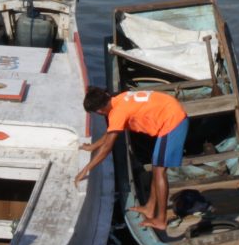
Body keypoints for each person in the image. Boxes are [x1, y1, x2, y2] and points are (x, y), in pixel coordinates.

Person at [77, 85, 188, 229]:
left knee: (159, 171)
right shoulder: (118, 99)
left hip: (173, 121)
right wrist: (92, 147)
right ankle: (149, 207)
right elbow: (112, 131)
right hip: (169, 111)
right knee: (156, 167)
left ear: (99, 111)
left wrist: (86, 169)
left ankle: (160, 220)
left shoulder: (118, 112)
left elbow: (107, 147)